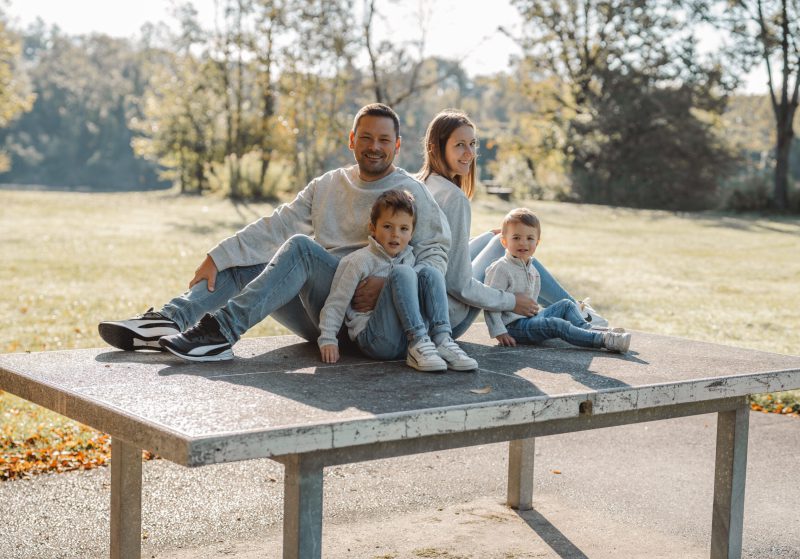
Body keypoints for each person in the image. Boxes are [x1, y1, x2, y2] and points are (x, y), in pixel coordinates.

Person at [98, 103, 451, 362]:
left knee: (299, 248)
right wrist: (218, 257)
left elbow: (436, 251)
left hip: (375, 322)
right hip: (325, 314)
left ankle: (221, 333)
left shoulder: (410, 191)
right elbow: (277, 225)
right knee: (246, 262)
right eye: (367, 137)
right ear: (352, 139)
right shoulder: (328, 184)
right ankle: (169, 319)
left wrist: (386, 281)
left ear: (397, 145)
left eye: (384, 140)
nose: (375, 146)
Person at [414, 109, 608, 339]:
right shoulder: (454, 198)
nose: (469, 153)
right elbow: (459, 284)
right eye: (459, 145)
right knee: (503, 244)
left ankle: (575, 307)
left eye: (472, 144)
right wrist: (512, 301)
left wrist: (483, 238)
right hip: (447, 317)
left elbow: (440, 247)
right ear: (438, 147)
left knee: (494, 238)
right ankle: (577, 311)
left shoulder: (421, 183)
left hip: (425, 304)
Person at [318, 189, 477, 372]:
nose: (395, 235)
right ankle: (418, 342)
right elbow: (337, 302)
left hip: (405, 339)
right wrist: (328, 339)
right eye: (387, 227)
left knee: (430, 272)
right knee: (403, 272)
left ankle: (441, 339)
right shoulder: (358, 261)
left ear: (411, 233)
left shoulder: (410, 258)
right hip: (376, 340)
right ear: (373, 228)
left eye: (403, 229)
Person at [484, 208, 630, 353]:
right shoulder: (501, 268)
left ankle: (590, 330)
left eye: (529, 238)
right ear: (504, 241)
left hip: (529, 321)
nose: (523, 243)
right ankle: (603, 340)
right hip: (512, 327)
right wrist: (499, 331)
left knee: (566, 304)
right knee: (557, 325)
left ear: (537, 243)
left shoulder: (533, 270)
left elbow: (532, 305)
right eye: (516, 238)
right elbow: (490, 301)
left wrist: (539, 318)